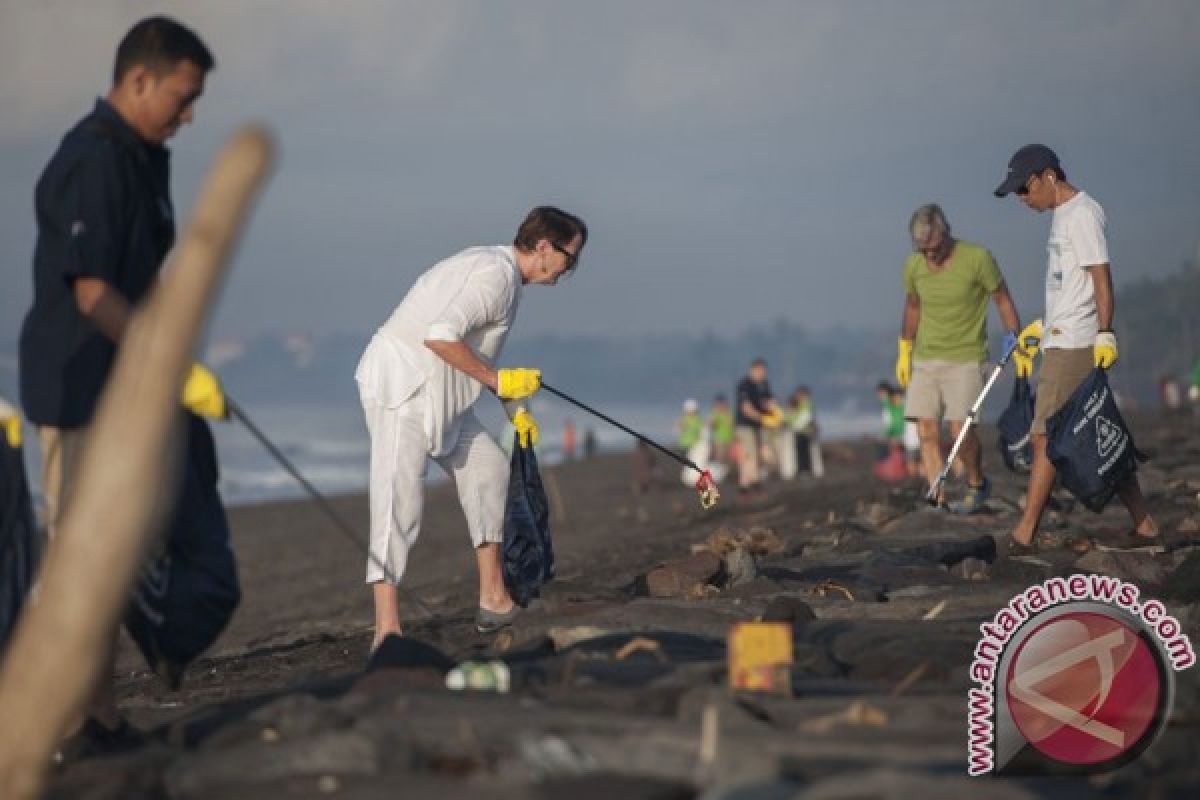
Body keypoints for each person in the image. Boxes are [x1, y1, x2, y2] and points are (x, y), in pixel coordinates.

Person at [16, 17, 226, 753]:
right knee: (78, 561)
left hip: (124, 388)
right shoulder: (93, 160)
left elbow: (145, 277)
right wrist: (165, 361)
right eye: (183, 96)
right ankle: (59, 725)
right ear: (140, 79)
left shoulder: (145, 159)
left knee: (108, 558)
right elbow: (93, 292)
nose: (189, 114)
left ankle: (98, 716)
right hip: (76, 388)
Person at [354, 206, 586, 646]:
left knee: (489, 470)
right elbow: (439, 335)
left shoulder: (506, 280)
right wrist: (497, 380)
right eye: (570, 258)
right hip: (403, 384)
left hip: (444, 394)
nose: (570, 270)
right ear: (543, 248)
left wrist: (512, 404)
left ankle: (494, 597)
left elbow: (471, 352)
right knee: (398, 501)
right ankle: (386, 629)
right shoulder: (495, 275)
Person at [995, 145, 1160, 553]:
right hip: (1061, 336)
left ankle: (1024, 532)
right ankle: (1146, 524)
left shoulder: (1082, 213)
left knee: (1044, 436)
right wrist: (1042, 328)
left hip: (1076, 342)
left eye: (1024, 189)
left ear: (1048, 176)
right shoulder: (1061, 216)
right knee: (1088, 430)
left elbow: (1100, 277)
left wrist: (1105, 332)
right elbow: (1070, 284)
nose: (1022, 199)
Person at [894, 203, 1033, 512]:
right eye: (921, 249)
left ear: (945, 234)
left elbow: (1002, 298)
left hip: (967, 357)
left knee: (960, 429)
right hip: (926, 358)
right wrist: (904, 349)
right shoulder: (914, 266)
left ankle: (976, 482)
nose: (928, 256)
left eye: (932, 248)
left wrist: (1016, 338)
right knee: (925, 431)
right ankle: (937, 498)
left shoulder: (977, 258)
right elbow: (913, 306)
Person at [734, 358, 782, 498]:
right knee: (750, 455)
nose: (763, 374)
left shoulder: (764, 384)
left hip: (760, 426)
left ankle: (749, 484)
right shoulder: (744, 385)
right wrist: (763, 418)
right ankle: (749, 485)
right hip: (745, 425)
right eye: (761, 371)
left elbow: (770, 402)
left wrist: (775, 414)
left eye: (765, 371)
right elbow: (746, 408)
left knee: (762, 455)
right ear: (753, 370)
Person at [708, 394, 734, 470]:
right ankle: (719, 469)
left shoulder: (729, 412)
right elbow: (711, 424)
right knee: (720, 455)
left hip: (730, 438)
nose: (720, 405)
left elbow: (732, 423)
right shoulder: (715, 413)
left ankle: (726, 470)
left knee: (729, 457)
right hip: (719, 439)